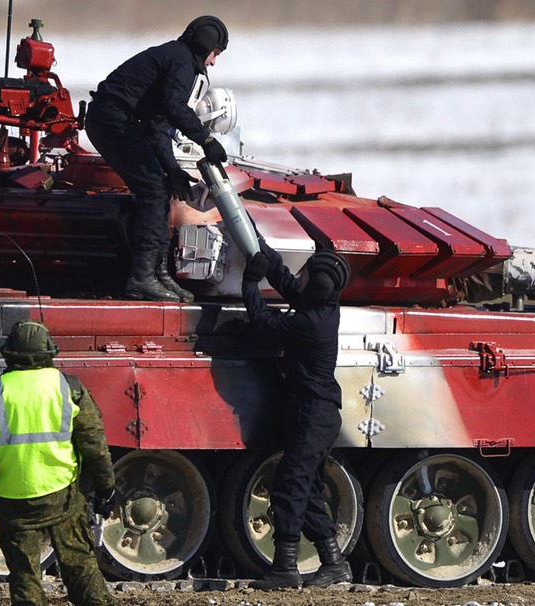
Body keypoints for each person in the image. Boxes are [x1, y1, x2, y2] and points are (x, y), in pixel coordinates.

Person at [0, 320, 117, 606]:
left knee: (24, 577)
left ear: (9, 354)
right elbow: (94, 445)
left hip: (12, 502)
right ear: (49, 352)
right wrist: (107, 488)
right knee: (80, 565)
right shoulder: (68, 388)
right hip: (61, 496)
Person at [84, 15, 229, 303]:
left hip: (116, 120)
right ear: (206, 45)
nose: (213, 62)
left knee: (160, 188)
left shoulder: (176, 58)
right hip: (113, 120)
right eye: (216, 54)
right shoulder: (181, 63)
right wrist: (206, 139)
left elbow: (158, 125)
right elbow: (173, 107)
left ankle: (158, 273)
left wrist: (172, 169)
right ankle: (142, 278)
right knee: (152, 191)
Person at [241, 242, 352, 590]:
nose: (297, 276)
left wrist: (250, 281)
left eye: (302, 272)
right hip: (318, 414)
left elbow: (261, 320)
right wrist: (259, 248)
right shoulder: (323, 306)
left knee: (289, 487)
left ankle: (285, 568)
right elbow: (290, 284)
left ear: (312, 284)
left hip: (312, 415)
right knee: (307, 491)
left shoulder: (307, 323)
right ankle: (334, 562)